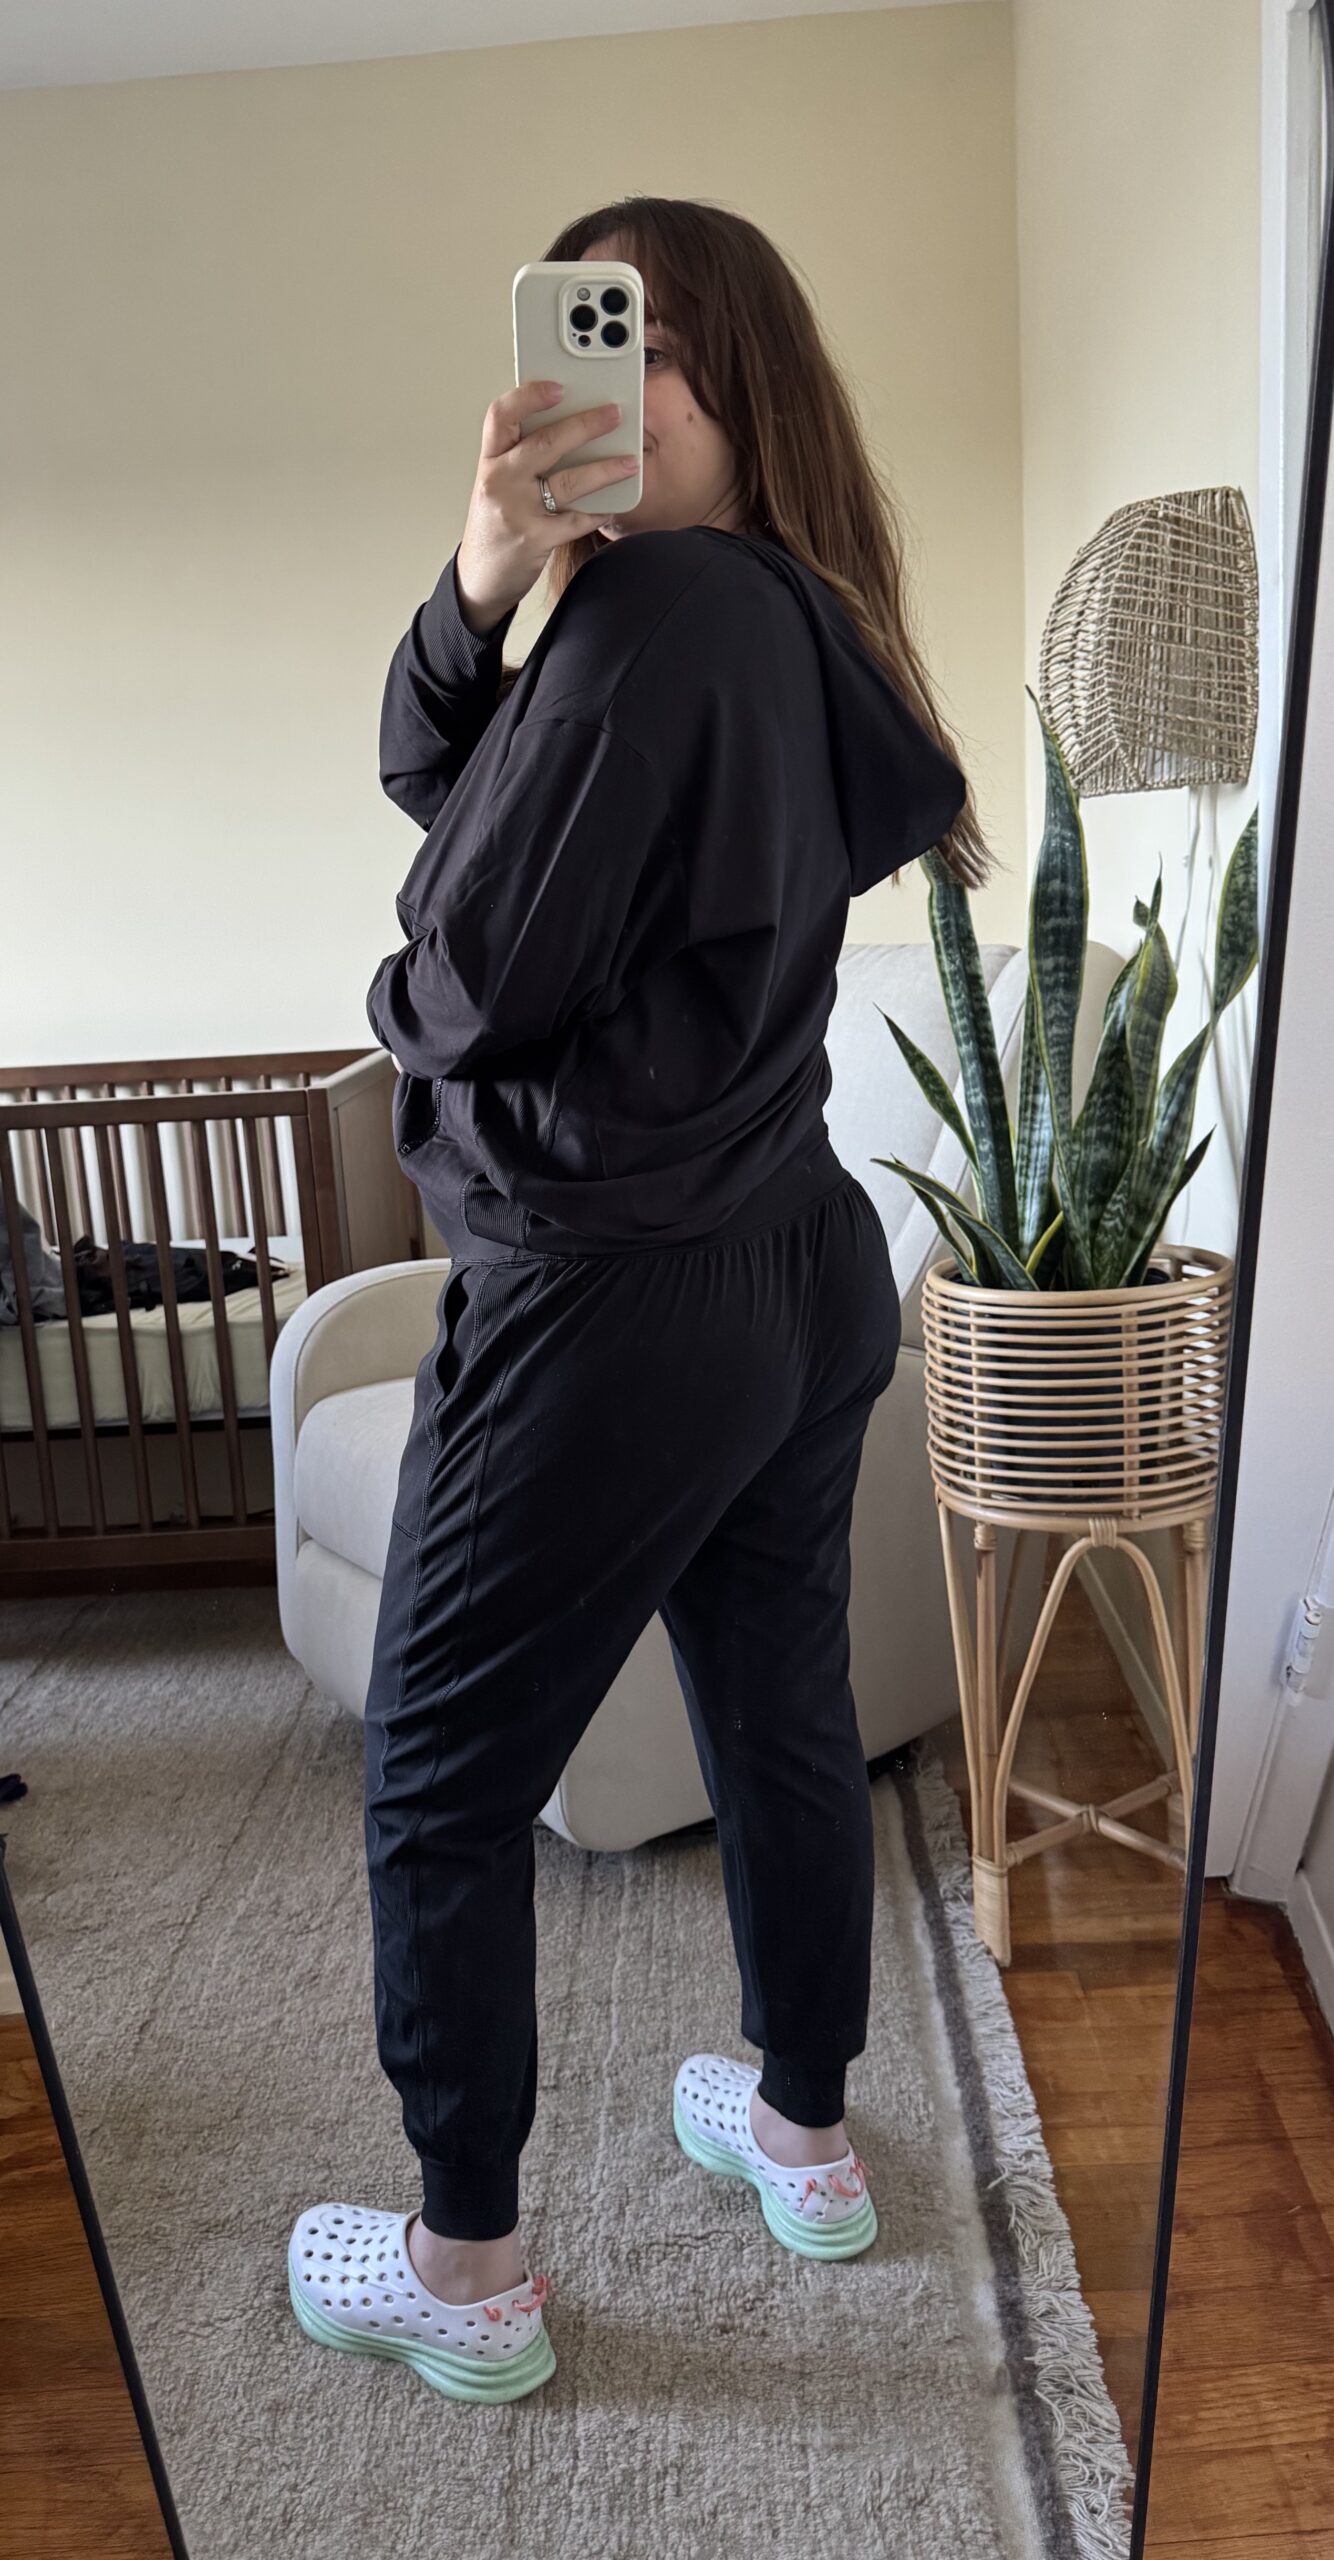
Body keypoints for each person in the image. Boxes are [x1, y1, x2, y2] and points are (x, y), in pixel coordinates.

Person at [287, 196, 993, 2406]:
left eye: (659, 347)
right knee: (771, 1700)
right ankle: (801, 2132)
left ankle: (466, 2267)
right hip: (793, 1255)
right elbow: (455, 777)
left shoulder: (660, 613)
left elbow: (464, 971)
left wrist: (396, 980)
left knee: (436, 1771)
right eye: (592, 340)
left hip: (617, 1293)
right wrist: (484, 584)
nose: (617, 386)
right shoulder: (778, 608)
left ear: (738, 382)